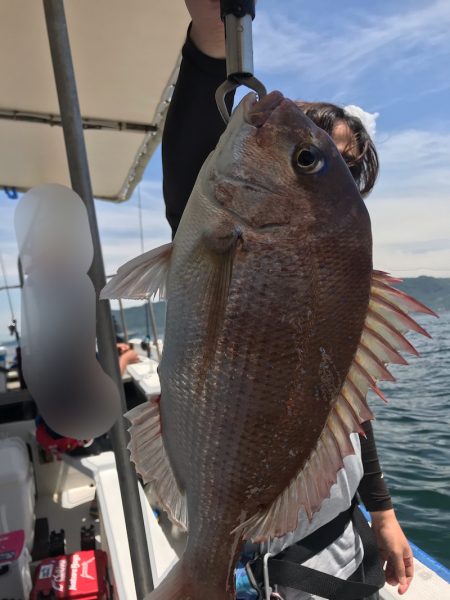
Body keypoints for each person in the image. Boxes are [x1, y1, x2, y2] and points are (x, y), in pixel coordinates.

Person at [161, 2, 414, 598]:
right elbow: (196, 154)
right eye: (316, 150)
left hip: (344, 549)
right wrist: (210, 37)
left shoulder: (337, 286)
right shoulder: (218, 218)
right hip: (267, 565)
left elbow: (349, 405)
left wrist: (383, 512)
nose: (339, 166)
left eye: (342, 166)